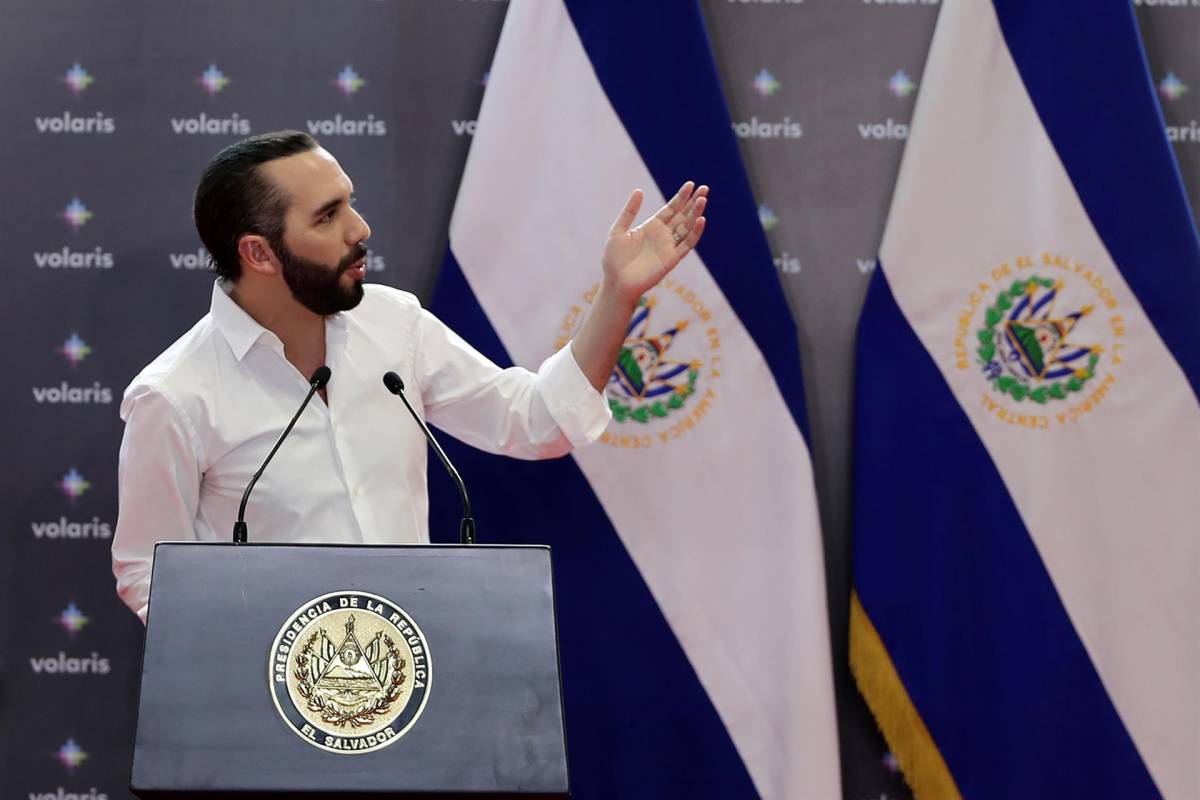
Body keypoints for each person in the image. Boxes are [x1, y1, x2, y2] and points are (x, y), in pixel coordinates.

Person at [111, 131, 707, 622]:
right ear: (259, 254)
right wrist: (246, 662)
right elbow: (146, 571)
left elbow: (537, 421)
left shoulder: (395, 324)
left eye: (350, 202)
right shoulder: (175, 396)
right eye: (328, 216)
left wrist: (618, 295)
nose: (359, 229)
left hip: (411, 685)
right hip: (270, 703)